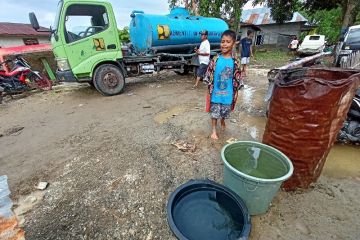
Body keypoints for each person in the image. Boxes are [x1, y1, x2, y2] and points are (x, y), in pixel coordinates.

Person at [204, 30, 243, 140]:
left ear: (233, 43)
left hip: (228, 95)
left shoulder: (235, 61)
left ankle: (223, 120)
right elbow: (208, 76)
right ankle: (214, 131)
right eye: (222, 42)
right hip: (215, 94)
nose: (224, 44)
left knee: (224, 112)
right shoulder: (215, 59)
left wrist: (235, 93)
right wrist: (208, 91)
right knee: (214, 113)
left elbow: (237, 79)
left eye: (228, 42)